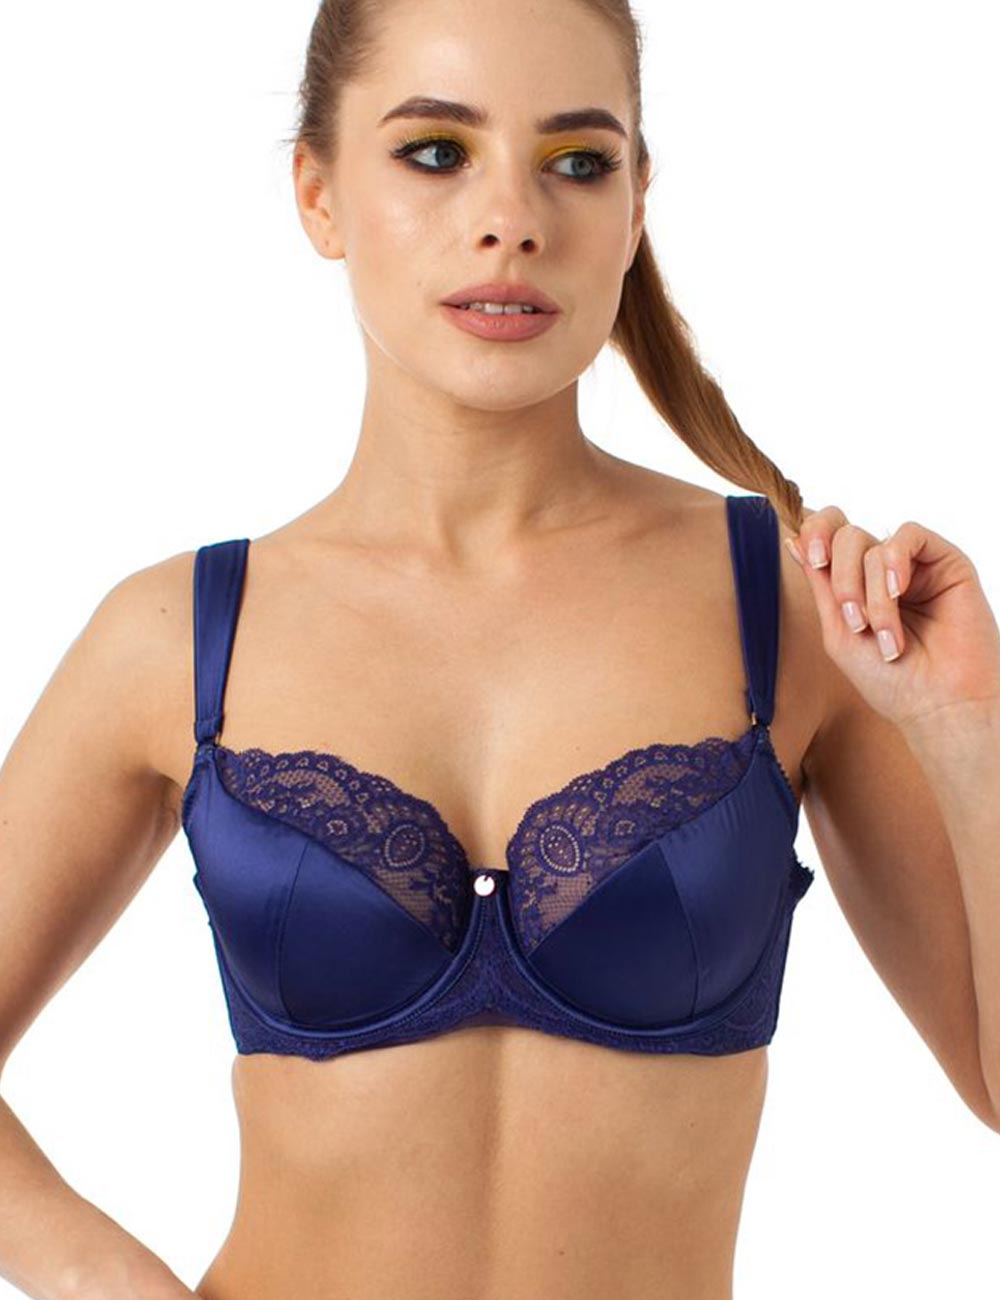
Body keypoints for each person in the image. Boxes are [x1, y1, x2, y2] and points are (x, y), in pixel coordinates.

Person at [3, 1, 999, 1298]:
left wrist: (966, 729)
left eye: (578, 162)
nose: (512, 219)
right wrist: (114, 1287)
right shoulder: (175, 637)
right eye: (436, 152)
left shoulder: (796, 610)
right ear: (317, 194)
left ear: (635, 209)